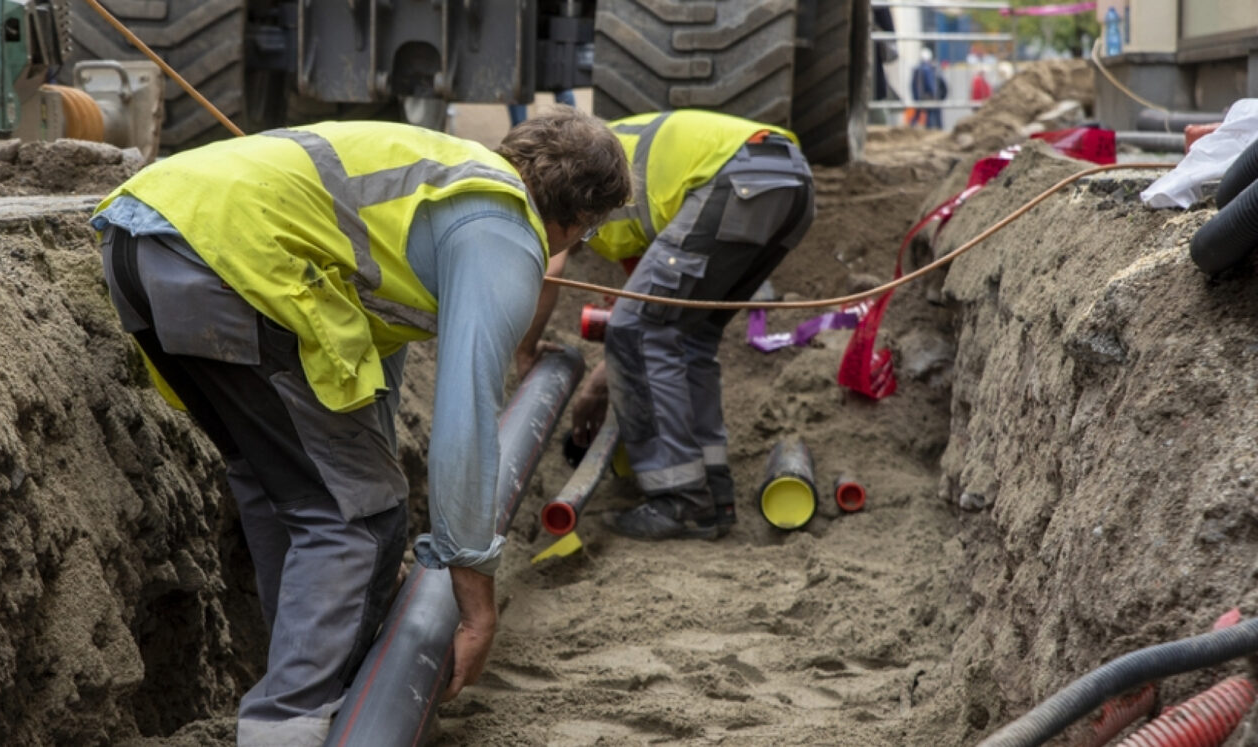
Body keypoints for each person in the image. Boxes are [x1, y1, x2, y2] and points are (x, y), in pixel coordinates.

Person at [92, 110, 630, 745]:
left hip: (141, 240)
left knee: (289, 490)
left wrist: (370, 586)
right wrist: (474, 599)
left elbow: (370, 375)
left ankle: (308, 685)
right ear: (578, 216)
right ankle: (290, 722)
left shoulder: (438, 187)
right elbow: (468, 416)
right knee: (355, 517)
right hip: (230, 260)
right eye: (588, 235)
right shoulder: (502, 229)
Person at [516, 109, 816, 541]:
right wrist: (603, 383)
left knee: (646, 333)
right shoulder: (628, 202)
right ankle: (713, 494)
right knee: (689, 336)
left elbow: (550, 270)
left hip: (737, 178)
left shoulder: (557, 179)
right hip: (789, 183)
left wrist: (525, 351)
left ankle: (679, 501)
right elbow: (649, 321)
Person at [910, 47, 946, 129]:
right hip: (928, 96)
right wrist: (934, 93)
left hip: (919, 96)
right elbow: (930, 83)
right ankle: (936, 129)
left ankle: (912, 126)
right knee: (932, 113)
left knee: (919, 113)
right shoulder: (927, 69)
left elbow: (912, 85)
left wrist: (915, 97)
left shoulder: (917, 69)